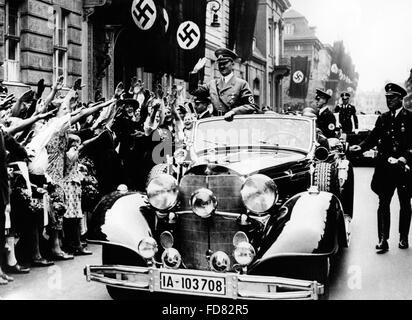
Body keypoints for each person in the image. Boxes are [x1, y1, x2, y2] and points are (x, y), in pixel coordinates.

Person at [350, 83, 412, 253]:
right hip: (385, 169)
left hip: (403, 168)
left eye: (392, 98)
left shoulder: (409, 118)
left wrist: (404, 157)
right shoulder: (383, 118)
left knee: (405, 203)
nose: (388, 101)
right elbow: (372, 138)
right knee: (383, 203)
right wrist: (360, 147)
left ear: (401, 99)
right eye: (387, 98)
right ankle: (383, 239)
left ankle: (403, 237)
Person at [189, 47, 259, 121]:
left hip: (234, 125)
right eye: (220, 64)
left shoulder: (241, 84)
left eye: (225, 63)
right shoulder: (212, 84)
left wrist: (233, 112)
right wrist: (195, 71)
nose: (222, 66)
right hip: (217, 124)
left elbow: (251, 106)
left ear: (232, 64)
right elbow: (193, 91)